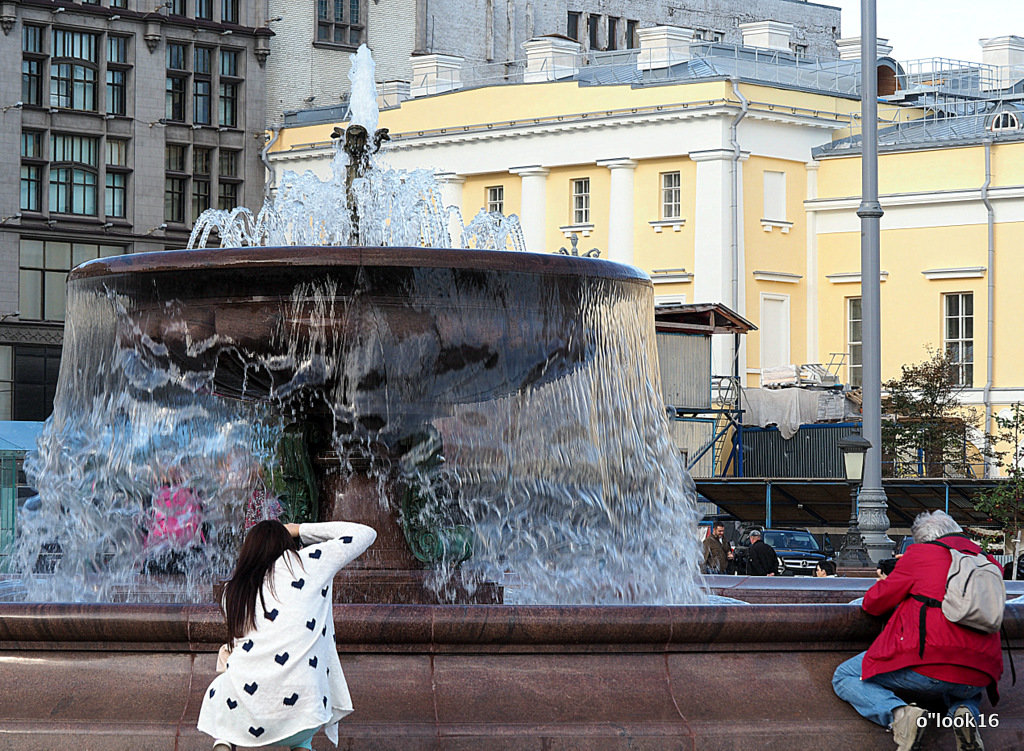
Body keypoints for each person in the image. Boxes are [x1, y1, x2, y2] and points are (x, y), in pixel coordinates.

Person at [198, 519, 377, 751]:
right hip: (305, 712)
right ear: (288, 544)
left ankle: (223, 744)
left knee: (222, 689)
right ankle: (302, 745)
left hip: (244, 712)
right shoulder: (309, 564)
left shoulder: (232, 591)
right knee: (302, 708)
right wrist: (300, 529)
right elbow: (365, 532)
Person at [832, 510, 1003, 751]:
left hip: (926, 664)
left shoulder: (921, 555)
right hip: (981, 672)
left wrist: (889, 579)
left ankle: (901, 717)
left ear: (924, 539)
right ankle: (966, 716)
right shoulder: (987, 561)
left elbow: (873, 603)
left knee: (845, 676)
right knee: (964, 689)